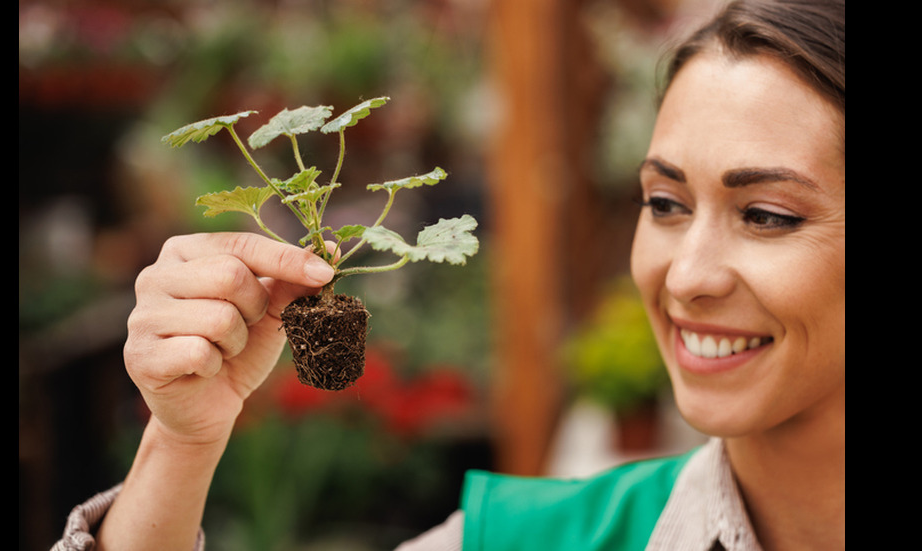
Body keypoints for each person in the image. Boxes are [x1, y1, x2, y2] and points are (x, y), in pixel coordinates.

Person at [52, 0, 844, 549]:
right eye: (665, 202)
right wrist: (181, 443)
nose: (687, 277)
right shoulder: (529, 540)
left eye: (768, 215)